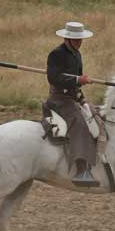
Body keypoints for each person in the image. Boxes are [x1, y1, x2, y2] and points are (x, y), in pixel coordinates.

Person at [46, 21, 98, 185]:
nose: (79, 42)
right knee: (79, 123)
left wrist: (82, 98)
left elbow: (76, 83)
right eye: (76, 40)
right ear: (67, 39)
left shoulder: (77, 54)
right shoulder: (56, 54)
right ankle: (81, 170)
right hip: (59, 99)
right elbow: (53, 77)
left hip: (72, 97)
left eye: (80, 39)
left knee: (95, 114)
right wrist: (77, 79)